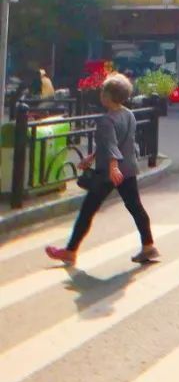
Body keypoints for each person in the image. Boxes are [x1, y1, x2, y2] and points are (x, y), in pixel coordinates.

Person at [46, 73, 157, 266]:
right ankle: (148, 246)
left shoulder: (107, 120)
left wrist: (113, 167)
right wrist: (92, 156)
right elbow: (121, 141)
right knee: (135, 207)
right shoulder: (128, 114)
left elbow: (112, 145)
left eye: (103, 92)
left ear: (108, 96)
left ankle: (70, 251)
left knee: (88, 210)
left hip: (109, 172)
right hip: (128, 168)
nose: (100, 95)